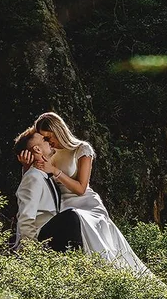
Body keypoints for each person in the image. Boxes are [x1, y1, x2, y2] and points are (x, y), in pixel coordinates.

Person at [13, 113, 152, 277]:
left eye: (49, 137)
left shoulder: (81, 149)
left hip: (84, 202)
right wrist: (26, 165)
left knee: (101, 245)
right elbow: (33, 186)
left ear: (59, 131)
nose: (48, 142)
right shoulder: (50, 151)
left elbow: (81, 188)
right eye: (44, 138)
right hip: (63, 206)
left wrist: (55, 171)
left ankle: (115, 276)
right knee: (76, 234)